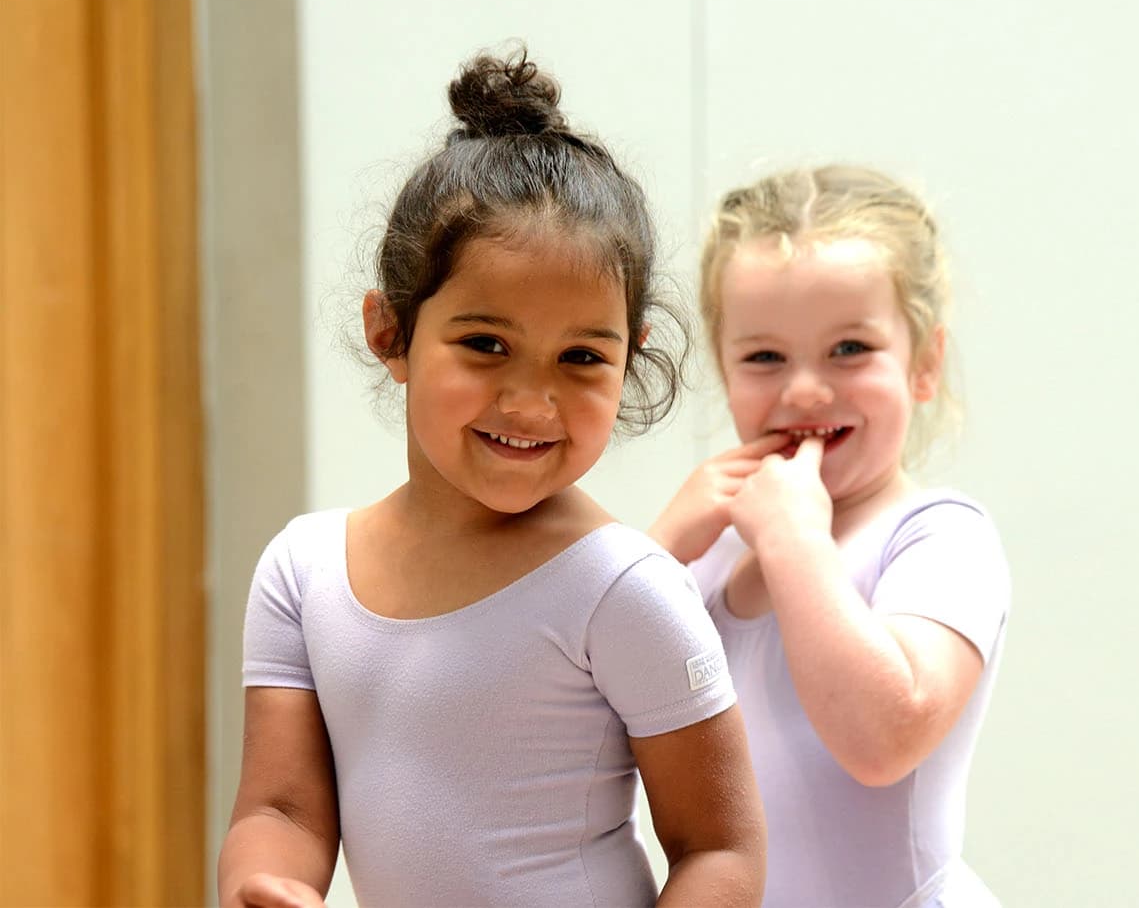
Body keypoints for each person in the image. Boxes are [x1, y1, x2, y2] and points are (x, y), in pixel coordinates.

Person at [219, 47, 765, 908]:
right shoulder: (303, 571)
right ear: (390, 330)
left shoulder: (622, 589)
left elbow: (720, 850)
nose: (531, 400)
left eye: (582, 356)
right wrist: (268, 882)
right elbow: (283, 807)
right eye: (485, 344)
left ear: (632, 358)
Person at [650, 165, 1010, 907]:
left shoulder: (939, 538)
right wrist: (652, 555)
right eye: (764, 356)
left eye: (850, 348)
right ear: (724, 367)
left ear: (925, 363)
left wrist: (794, 544)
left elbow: (883, 738)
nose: (806, 389)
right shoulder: (711, 552)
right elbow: (578, 734)